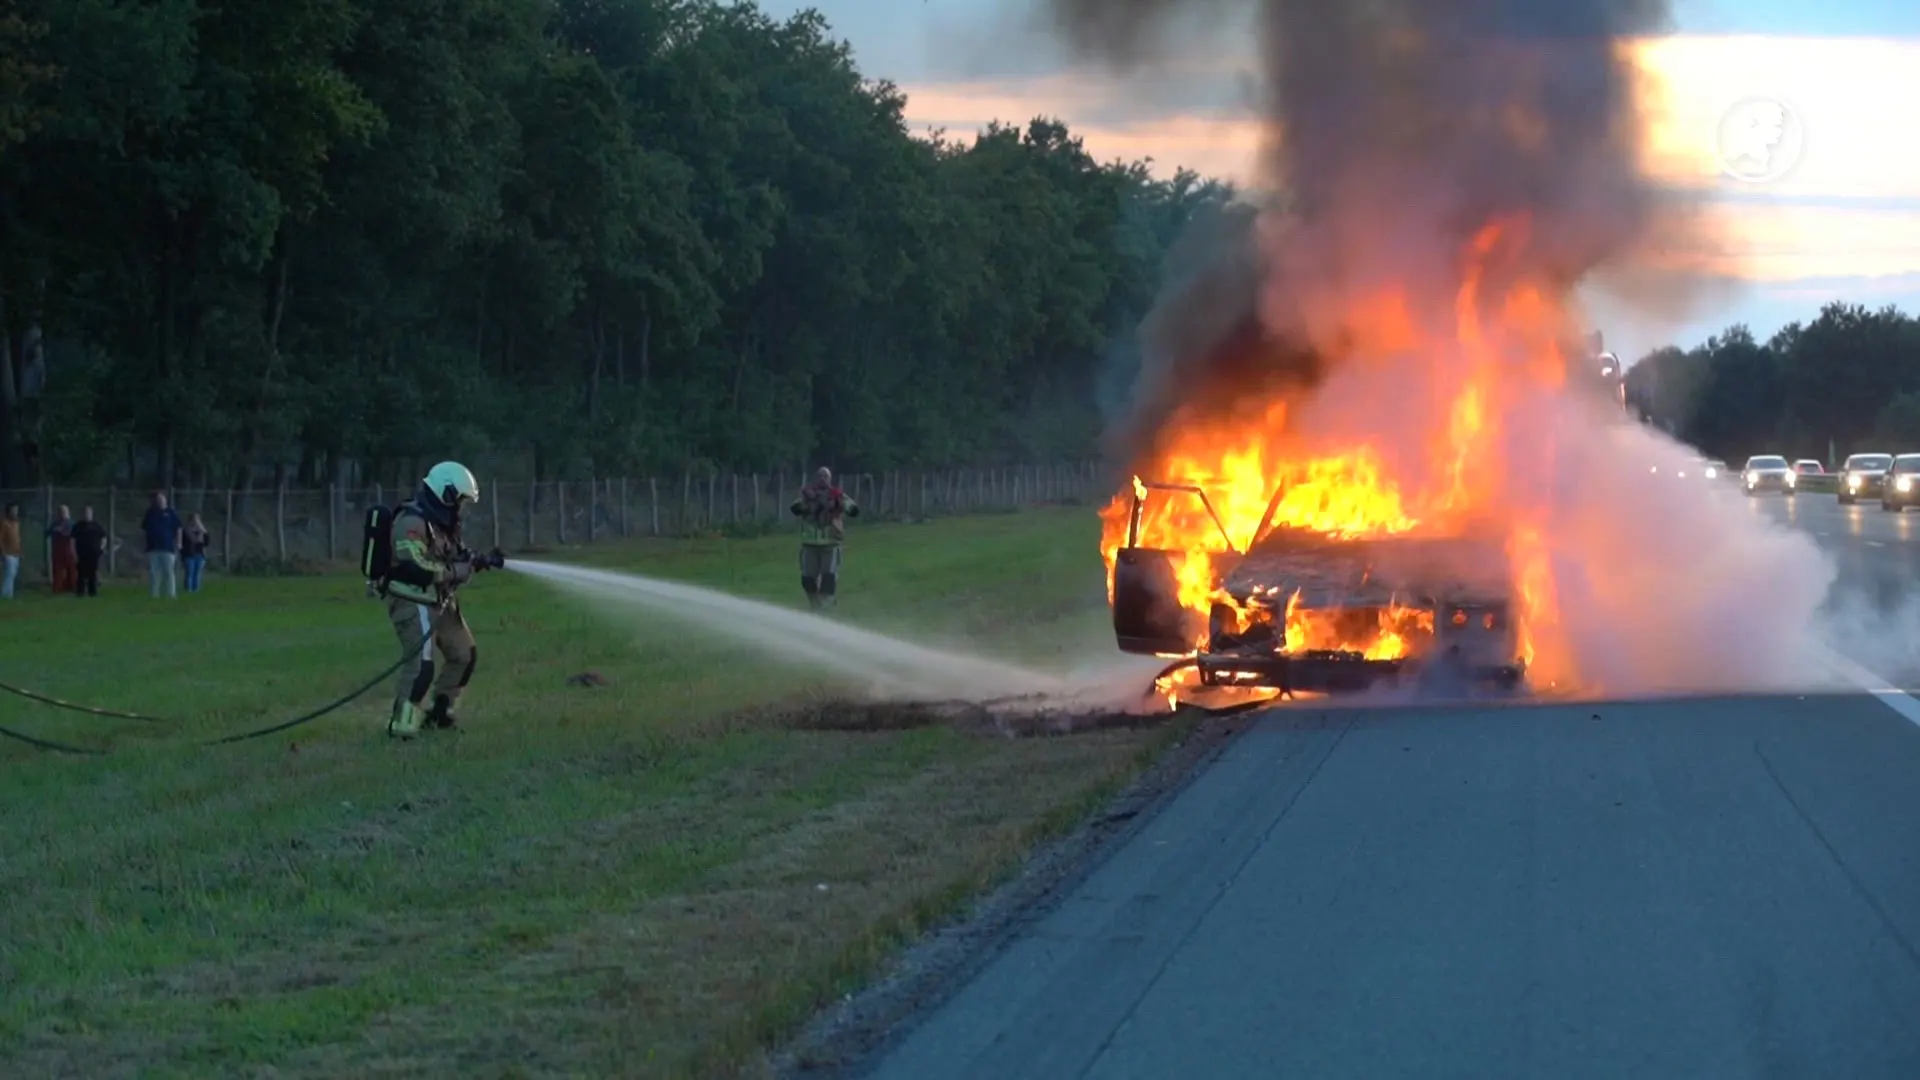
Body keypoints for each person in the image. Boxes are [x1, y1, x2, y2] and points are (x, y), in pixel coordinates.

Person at [373, 461, 496, 739]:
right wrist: (456, 571)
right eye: (461, 501)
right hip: (411, 599)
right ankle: (401, 727)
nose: (462, 509)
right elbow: (415, 567)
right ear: (447, 494)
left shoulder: (442, 523)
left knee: (464, 655)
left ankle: (440, 714)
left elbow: (452, 556)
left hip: (439, 600)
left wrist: (478, 560)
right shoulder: (411, 522)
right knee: (421, 666)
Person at [789, 466, 859, 609]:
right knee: (807, 579)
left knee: (828, 577)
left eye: (825, 476)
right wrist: (807, 504)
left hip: (830, 543)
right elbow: (794, 508)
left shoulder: (837, 495)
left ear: (830, 479)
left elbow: (854, 510)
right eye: (820, 476)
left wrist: (839, 504)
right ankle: (815, 603)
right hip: (809, 543)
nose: (822, 479)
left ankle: (825, 602)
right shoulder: (808, 496)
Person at [141, 491, 182, 598]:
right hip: (153, 547)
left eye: (161, 498)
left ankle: (171, 594)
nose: (160, 501)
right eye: (158, 499)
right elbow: (145, 528)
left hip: (167, 547)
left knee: (169, 572)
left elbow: (178, 528)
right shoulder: (150, 513)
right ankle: (154, 594)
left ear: (165, 499)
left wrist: (179, 542)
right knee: (154, 572)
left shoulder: (171, 513)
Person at [71, 506, 106, 597]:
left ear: (92, 514)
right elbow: (72, 540)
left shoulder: (97, 526)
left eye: (89, 513)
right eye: (85, 513)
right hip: (82, 553)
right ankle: (80, 592)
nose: (87, 515)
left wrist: (101, 548)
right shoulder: (78, 526)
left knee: (93, 572)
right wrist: (73, 552)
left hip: (94, 554)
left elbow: (104, 537)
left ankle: (92, 592)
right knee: (81, 573)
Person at [46, 505, 75, 594]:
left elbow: (73, 534)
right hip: (58, 550)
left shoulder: (71, 523)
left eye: (64, 512)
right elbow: (48, 533)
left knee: (72, 569)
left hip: (69, 549)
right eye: (61, 512)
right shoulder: (55, 524)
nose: (63, 514)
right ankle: (58, 588)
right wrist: (55, 530)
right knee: (58, 570)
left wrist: (62, 531)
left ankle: (71, 587)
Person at [181, 513, 212, 593]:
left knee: (197, 573)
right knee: (189, 573)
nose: (195, 522)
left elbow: (206, 542)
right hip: (189, 554)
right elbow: (183, 543)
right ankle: (188, 590)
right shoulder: (186, 531)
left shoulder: (201, 532)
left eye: (197, 520)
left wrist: (203, 530)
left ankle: (196, 590)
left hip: (200, 554)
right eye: (194, 520)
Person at [0, 503, 19, 599]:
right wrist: (2, 551)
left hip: (16, 553)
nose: (15, 512)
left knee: (13, 575)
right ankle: (3, 594)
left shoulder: (16, 523)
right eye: (13, 510)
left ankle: (9, 595)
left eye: (16, 510)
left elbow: (17, 538)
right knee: (9, 574)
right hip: (8, 552)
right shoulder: (4, 523)